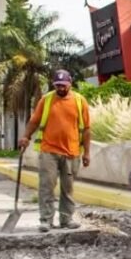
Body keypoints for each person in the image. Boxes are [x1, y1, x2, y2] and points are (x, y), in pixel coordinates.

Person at [18, 69, 91, 232]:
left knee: (68, 187)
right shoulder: (46, 100)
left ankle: (66, 219)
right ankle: (46, 220)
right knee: (46, 186)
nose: (61, 88)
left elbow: (86, 129)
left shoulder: (80, 101)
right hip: (49, 152)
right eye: (58, 85)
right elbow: (34, 121)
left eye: (64, 85)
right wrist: (25, 137)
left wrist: (86, 153)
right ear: (54, 85)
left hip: (72, 154)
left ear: (70, 83)